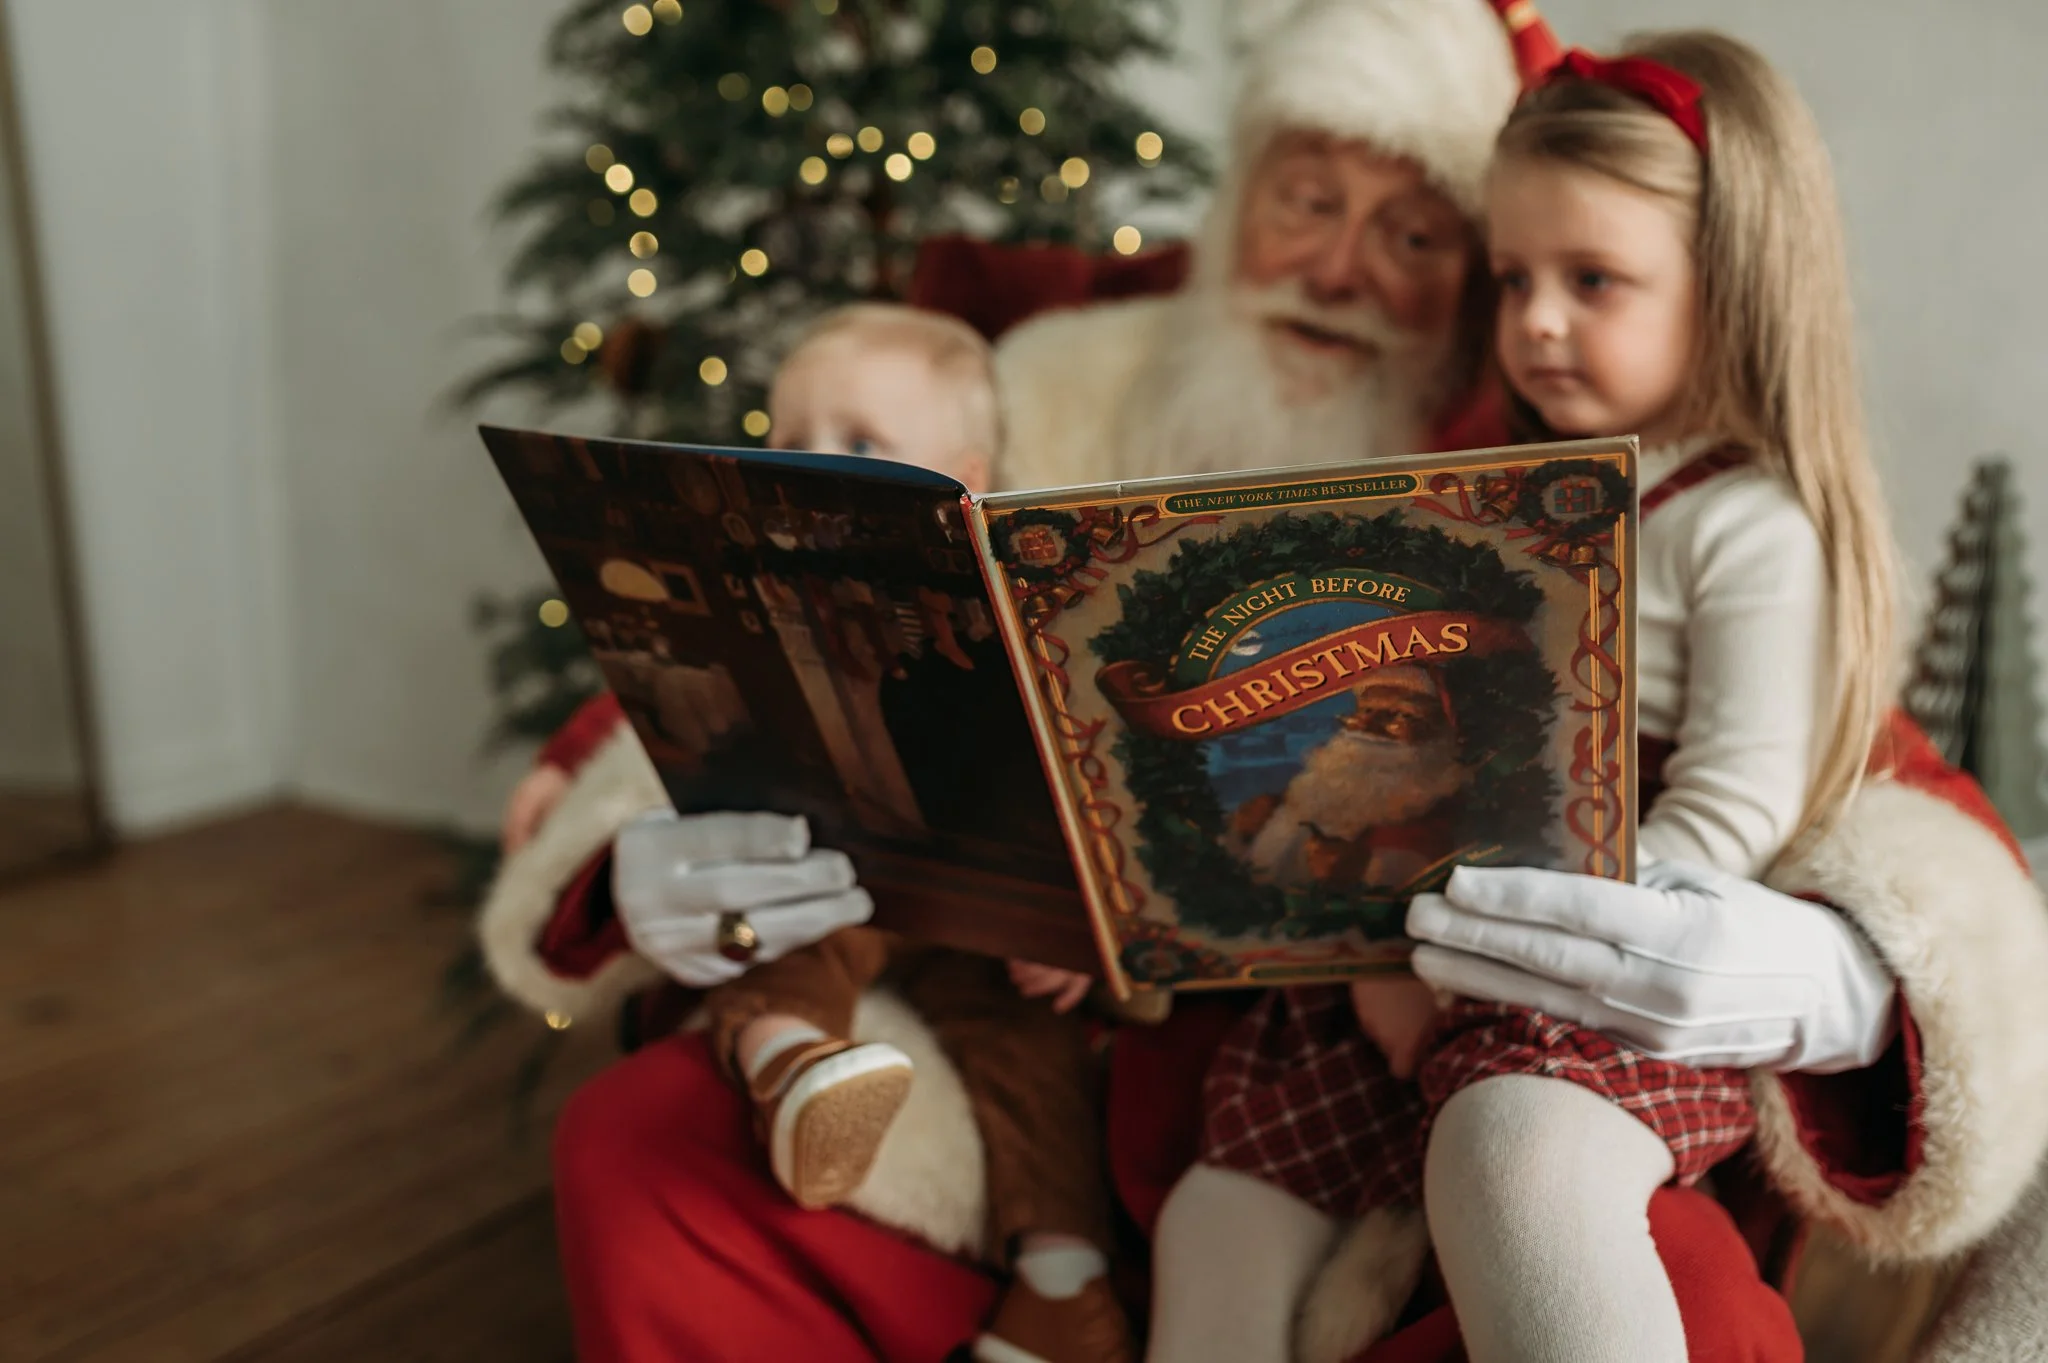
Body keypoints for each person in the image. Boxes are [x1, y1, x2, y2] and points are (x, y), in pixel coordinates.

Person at [479, 2, 2048, 1360]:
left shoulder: (1555, 490)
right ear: (1242, 203)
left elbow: (1850, 779)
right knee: (647, 1146)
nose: (1345, 266)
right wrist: (657, 837)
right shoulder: (1059, 374)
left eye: (1420, 235)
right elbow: (820, 578)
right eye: (1307, 197)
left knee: (1665, 1290)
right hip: (1018, 1040)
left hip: (1423, 1053)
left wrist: (1835, 975)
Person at [1153, 30, 1898, 1362]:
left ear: (1731, 282)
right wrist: (1392, 931)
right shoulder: (1497, 493)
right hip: (1420, 934)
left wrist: (1489, 935)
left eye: (1592, 279)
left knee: (1518, 1161)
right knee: (1221, 1204)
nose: (1537, 320)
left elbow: (1731, 806)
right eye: (1513, 278)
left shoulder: (1747, 526)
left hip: (1601, 957)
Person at [682, 303, 1133, 1363]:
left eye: (859, 443)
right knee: (786, 928)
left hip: (992, 914)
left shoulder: (1025, 602)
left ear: (958, 476)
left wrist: (1071, 919)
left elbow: (1093, 778)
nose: (809, 466)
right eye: (788, 439)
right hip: (848, 872)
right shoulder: (767, 592)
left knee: (1031, 1052)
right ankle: (791, 1068)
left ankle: (1062, 1285)